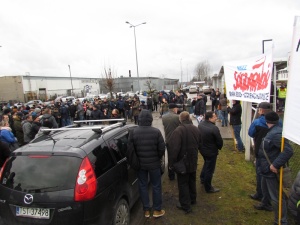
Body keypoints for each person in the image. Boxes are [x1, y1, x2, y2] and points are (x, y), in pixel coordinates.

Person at [127, 109, 166, 218]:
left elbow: (130, 150)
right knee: (156, 186)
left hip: (140, 165)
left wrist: (135, 162)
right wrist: (157, 158)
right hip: (154, 165)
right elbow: (162, 148)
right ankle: (157, 210)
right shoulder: (156, 132)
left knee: (143, 186)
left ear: (139, 119)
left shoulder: (133, 132)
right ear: (150, 119)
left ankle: (146, 210)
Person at [257, 111, 293, 225]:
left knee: (276, 197)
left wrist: (275, 165)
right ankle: (265, 204)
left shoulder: (276, 134)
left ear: (267, 121)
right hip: (265, 169)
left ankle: (281, 221)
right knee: (265, 190)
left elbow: (288, 151)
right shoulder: (273, 131)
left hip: (271, 171)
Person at [168, 111, 202, 214]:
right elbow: (200, 143)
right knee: (192, 180)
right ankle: (192, 199)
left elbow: (174, 149)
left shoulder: (178, 131)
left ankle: (185, 205)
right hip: (193, 159)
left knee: (183, 184)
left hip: (182, 162)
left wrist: (171, 163)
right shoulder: (196, 129)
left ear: (180, 119)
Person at [248, 102, 273, 206]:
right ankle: (268, 197)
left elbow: (250, 133)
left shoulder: (257, 122)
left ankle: (260, 194)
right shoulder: (278, 122)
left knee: (260, 174)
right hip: (272, 154)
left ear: (261, 111)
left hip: (260, 151)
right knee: (271, 177)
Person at [198, 111, 223, 193]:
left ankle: (202, 178)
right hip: (211, 151)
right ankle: (208, 187)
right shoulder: (214, 128)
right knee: (210, 169)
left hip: (203, 150)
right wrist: (219, 147)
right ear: (210, 118)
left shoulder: (200, 124)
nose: (216, 118)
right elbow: (219, 141)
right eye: (214, 117)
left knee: (206, 163)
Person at [162, 103, 180, 180]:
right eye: (177, 108)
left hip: (168, 140)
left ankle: (171, 174)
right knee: (179, 156)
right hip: (177, 139)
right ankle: (178, 171)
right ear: (174, 109)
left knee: (170, 158)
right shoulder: (177, 117)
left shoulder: (163, 117)